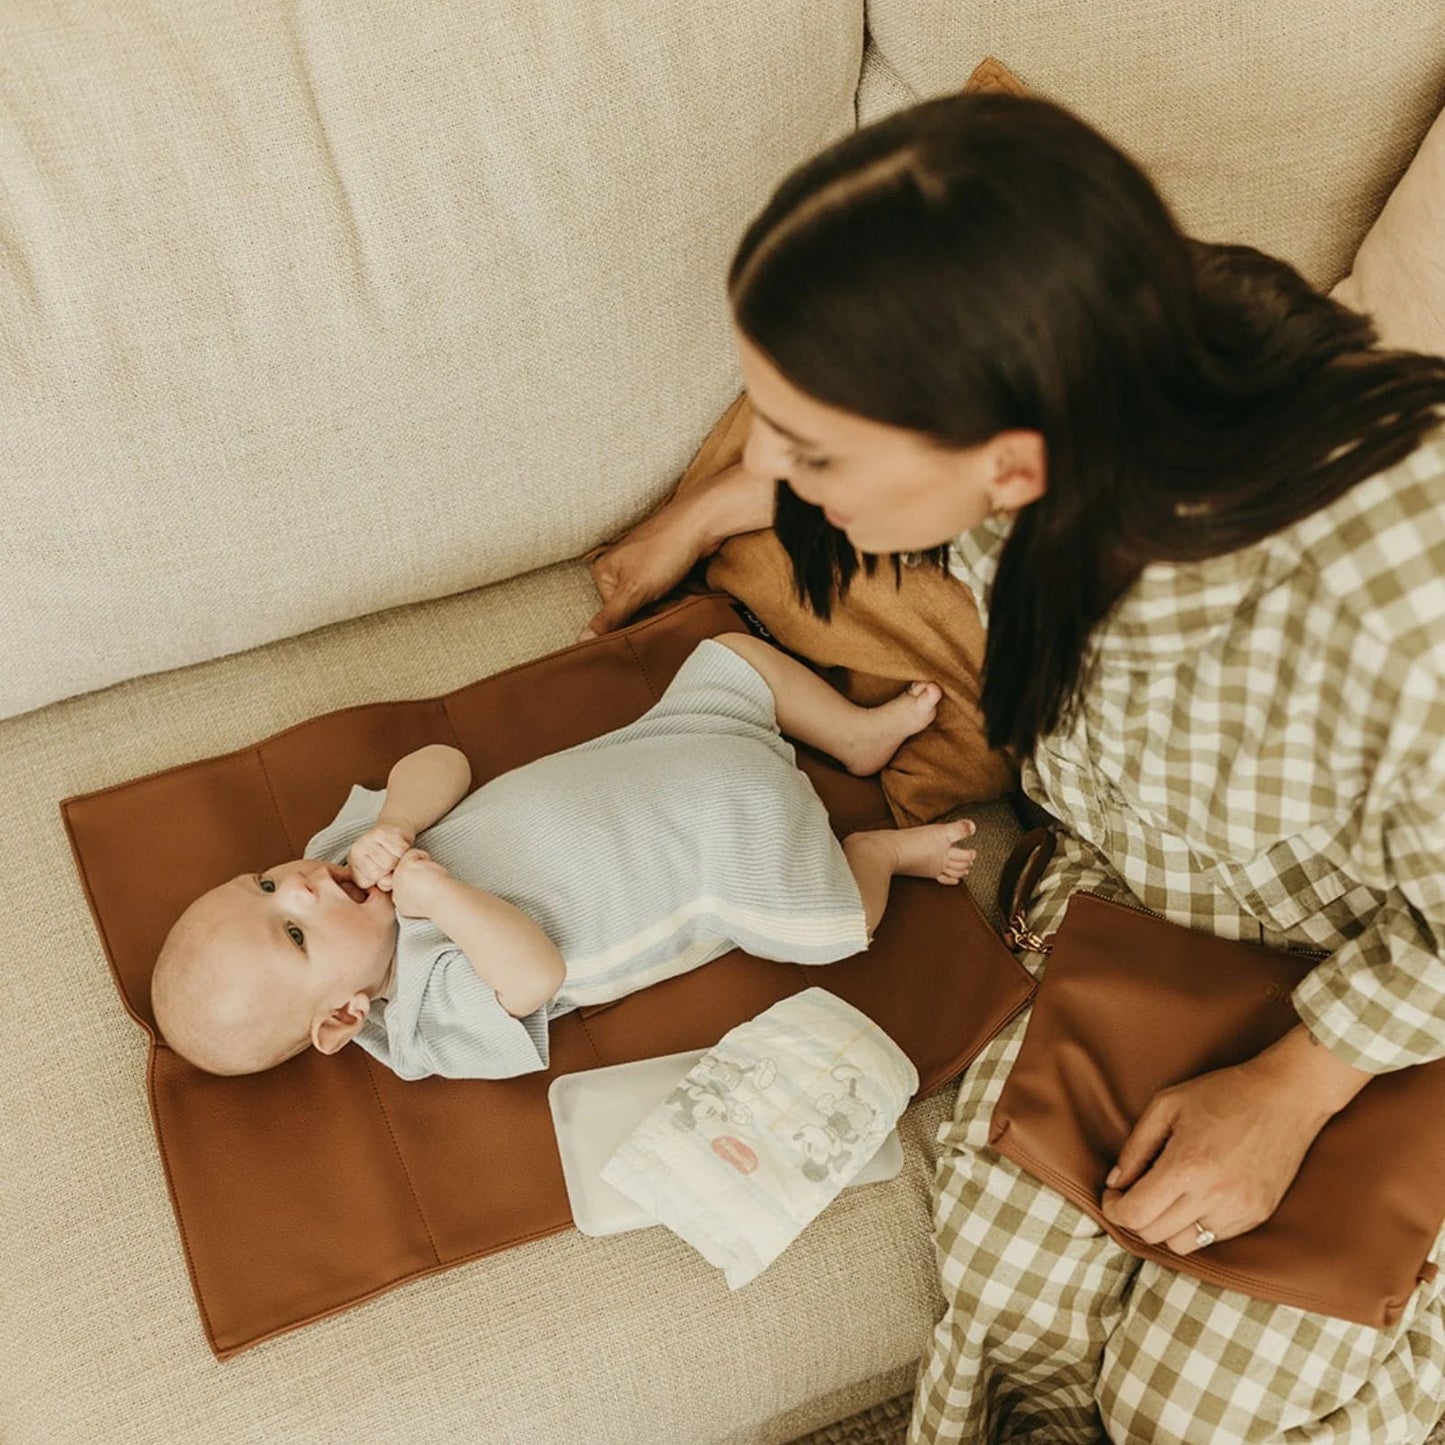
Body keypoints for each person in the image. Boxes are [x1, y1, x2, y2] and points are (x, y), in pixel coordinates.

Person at [578, 90, 1445, 1445]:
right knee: (1005, 1312)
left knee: (1192, 1405)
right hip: (1148, 925)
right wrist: (713, 509)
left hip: (1395, 1006)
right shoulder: (1072, 391)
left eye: (811, 453)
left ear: (1012, 459)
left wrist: (1290, 1091)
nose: (782, 468)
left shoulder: (1388, 590)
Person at [150, 632, 976, 1081]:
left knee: (730, 652)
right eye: (293, 933)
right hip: (728, 858)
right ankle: (874, 853)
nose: (295, 887)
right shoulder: (425, 1019)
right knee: (840, 921)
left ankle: (853, 736)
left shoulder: (341, 858)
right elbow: (534, 974)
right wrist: (437, 896)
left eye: (262, 883)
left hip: (673, 741)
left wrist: (399, 819)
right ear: (342, 1014)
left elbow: (444, 761)